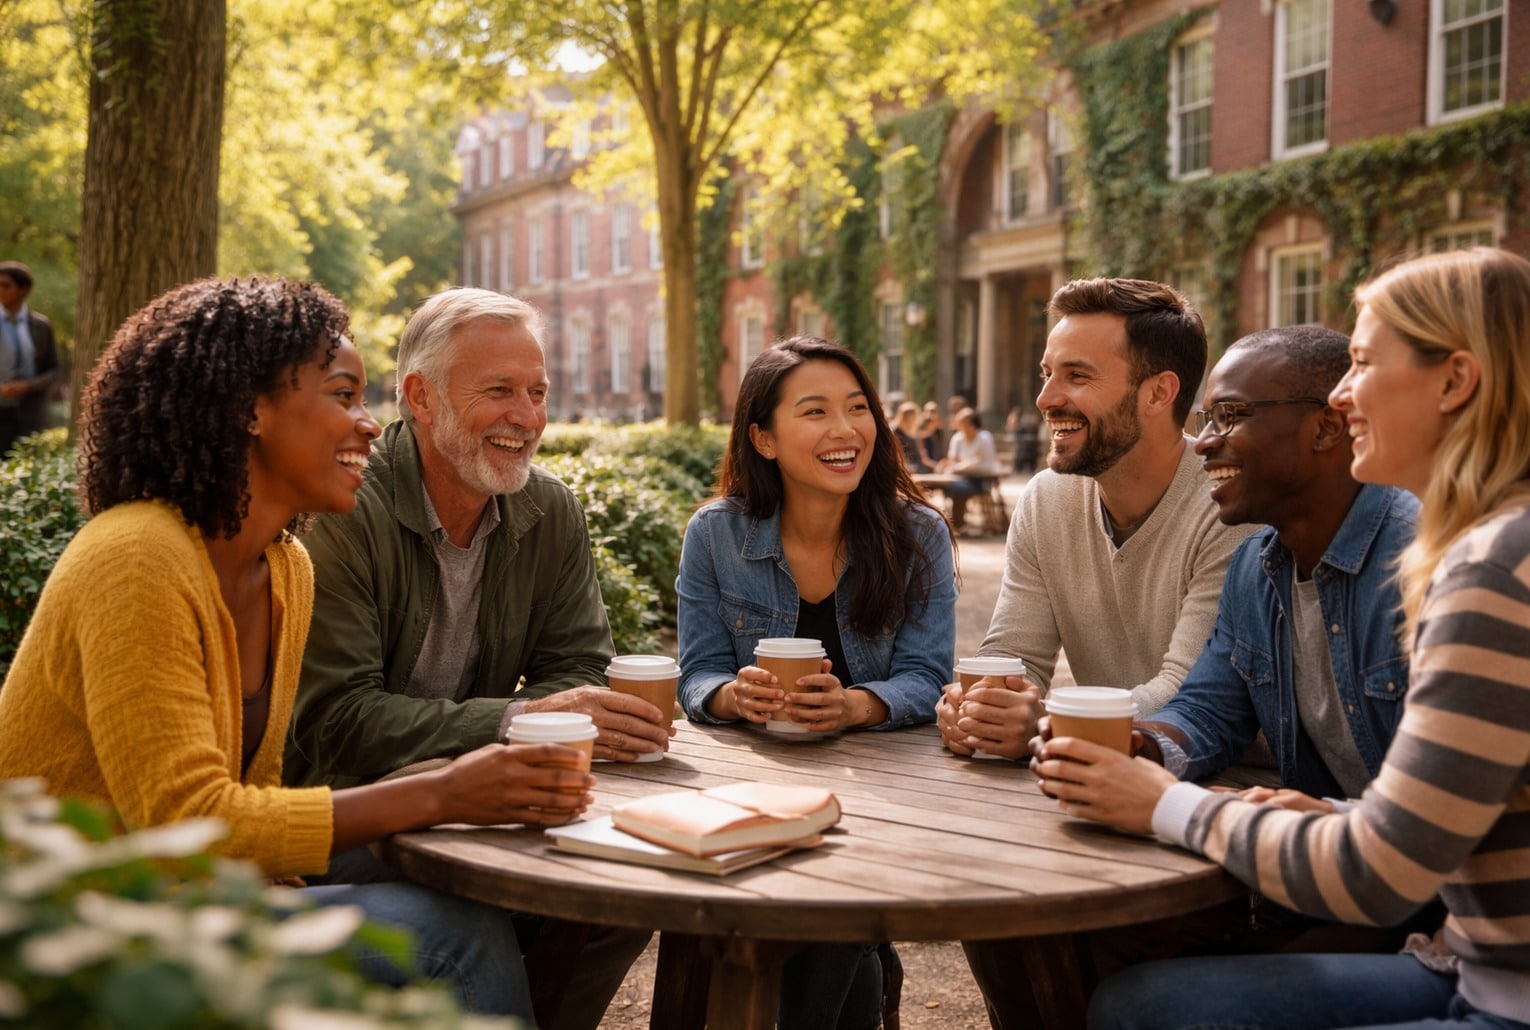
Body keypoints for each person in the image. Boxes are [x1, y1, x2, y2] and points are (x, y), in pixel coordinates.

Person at [0, 277, 597, 1021]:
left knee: (556, 879)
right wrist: (439, 793)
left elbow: (255, 798)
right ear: (251, 409)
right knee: (455, 937)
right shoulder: (137, 556)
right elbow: (182, 821)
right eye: (343, 396)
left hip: (208, 897)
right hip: (81, 925)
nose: (369, 425)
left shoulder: (286, 568)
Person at [1046, 248, 1530, 1030]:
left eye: (1365, 361)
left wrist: (1168, 807)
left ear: (1455, 381)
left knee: (1144, 1007)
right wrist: (1147, 753)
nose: (1344, 395)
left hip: (1488, 991)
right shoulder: (1268, 564)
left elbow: (1387, 871)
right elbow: (1435, 814)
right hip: (1471, 966)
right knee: (1130, 986)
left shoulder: (1489, 567)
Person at [286, 287, 657, 1026]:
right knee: (467, 928)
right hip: (343, 811)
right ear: (419, 398)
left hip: (475, 804)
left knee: (630, 891)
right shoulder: (342, 509)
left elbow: (578, 667)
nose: (527, 416)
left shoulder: (548, 509)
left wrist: (556, 718)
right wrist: (521, 721)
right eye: (499, 391)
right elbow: (337, 720)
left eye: (538, 392)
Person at [676, 335, 956, 1030]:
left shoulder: (918, 532)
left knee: (834, 912)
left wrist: (856, 705)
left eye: (858, 408)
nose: (846, 430)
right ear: (764, 439)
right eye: (815, 412)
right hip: (750, 786)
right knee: (798, 931)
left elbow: (928, 677)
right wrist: (731, 696)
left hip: (880, 794)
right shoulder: (716, 535)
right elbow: (697, 672)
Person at [938, 277, 1252, 761]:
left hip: (1226, 783)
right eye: (1047, 373)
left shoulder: (1230, 506)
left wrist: (1046, 722)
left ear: (1158, 393)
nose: (1045, 398)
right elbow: (1014, 656)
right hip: (1087, 775)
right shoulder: (1047, 499)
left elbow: (1189, 693)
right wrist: (979, 702)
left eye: (1077, 377)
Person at [0, 260, 61, 457]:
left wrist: (27, 386)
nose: (0, 290)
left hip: (31, 415)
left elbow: (54, 370)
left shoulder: (41, 326)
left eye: (6, 285)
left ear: (23, 289)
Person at [937, 407, 1004, 531]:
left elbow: (981, 462)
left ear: (971, 423)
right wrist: (967, 463)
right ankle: (956, 524)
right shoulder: (957, 438)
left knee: (957, 488)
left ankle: (957, 524)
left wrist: (963, 464)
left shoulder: (984, 438)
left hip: (981, 479)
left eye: (963, 423)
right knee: (952, 487)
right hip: (958, 477)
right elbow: (953, 459)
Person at [894, 400, 934, 473]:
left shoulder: (913, 433)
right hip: (906, 470)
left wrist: (936, 466)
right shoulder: (895, 433)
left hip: (916, 468)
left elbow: (921, 457)